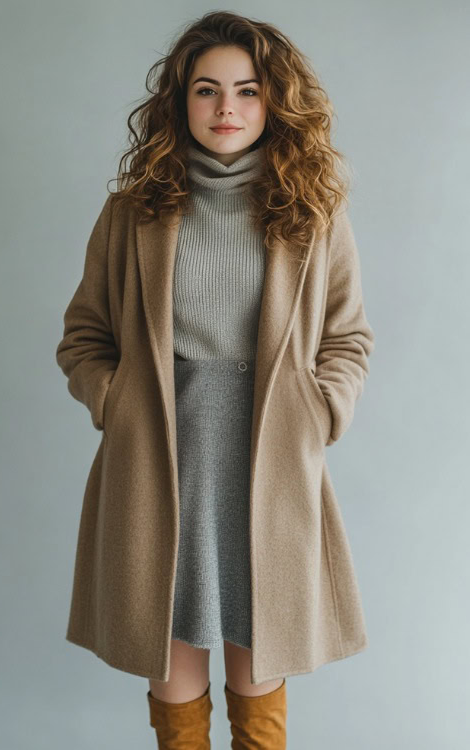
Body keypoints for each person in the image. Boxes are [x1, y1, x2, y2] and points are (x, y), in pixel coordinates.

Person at [55, 10, 375, 749]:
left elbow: (348, 337)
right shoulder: (132, 213)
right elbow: (84, 337)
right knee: (172, 672)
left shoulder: (313, 214)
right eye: (206, 90)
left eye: (247, 90)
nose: (226, 108)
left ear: (274, 101)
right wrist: (115, 402)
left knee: (258, 667)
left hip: (271, 463)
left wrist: (322, 410)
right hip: (159, 462)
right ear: (180, 101)